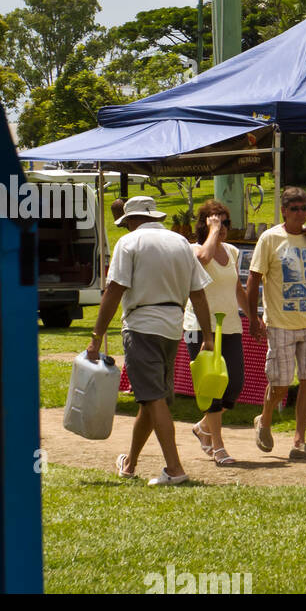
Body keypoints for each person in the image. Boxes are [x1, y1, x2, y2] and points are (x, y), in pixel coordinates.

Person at [86, 195, 214, 486]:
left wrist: (96, 337)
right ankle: (130, 463)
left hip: (141, 325)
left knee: (153, 397)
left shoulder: (129, 243)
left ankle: (174, 468)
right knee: (150, 397)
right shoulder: (180, 242)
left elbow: (114, 291)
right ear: (155, 216)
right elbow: (199, 293)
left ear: (131, 220)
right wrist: (207, 335)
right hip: (173, 327)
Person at [245, 186, 306, 460]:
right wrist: (252, 318)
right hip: (280, 323)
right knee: (281, 384)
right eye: (294, 208)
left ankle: (299, 441)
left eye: (304, 208)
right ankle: (264, 418)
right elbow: (253, 280)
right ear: (284, 210)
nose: (300, 213)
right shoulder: (270, 238)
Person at [183, 200, 249, 467]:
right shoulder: (191, 250)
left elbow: (238, 289)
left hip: (230, 325)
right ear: (205, 224)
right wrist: (212, 233)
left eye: (225, 223)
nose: (222, 227)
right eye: (216, 222)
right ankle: (218, 446)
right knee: (211, 385)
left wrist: (253, 318)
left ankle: (202, 427)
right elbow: (203, 259)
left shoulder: (232, 251)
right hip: (199, 327)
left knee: (235, 384)